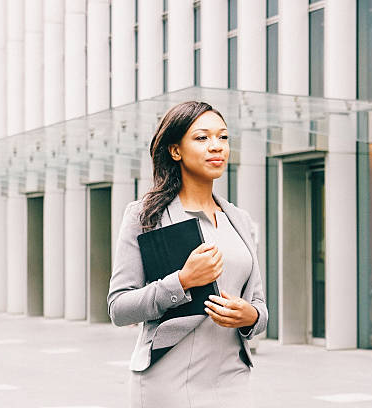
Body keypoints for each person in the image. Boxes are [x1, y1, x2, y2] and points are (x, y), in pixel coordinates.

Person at [107, 101, 268, 408]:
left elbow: (258, 304)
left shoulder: (240, 220)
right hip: (168, 382)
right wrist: (182, 281)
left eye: (223, 137)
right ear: (175, 150)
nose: (216, 146)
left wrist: (251, 316)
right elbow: (119, 307)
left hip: (233, 380)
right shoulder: (146, 216)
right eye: (202, 138)